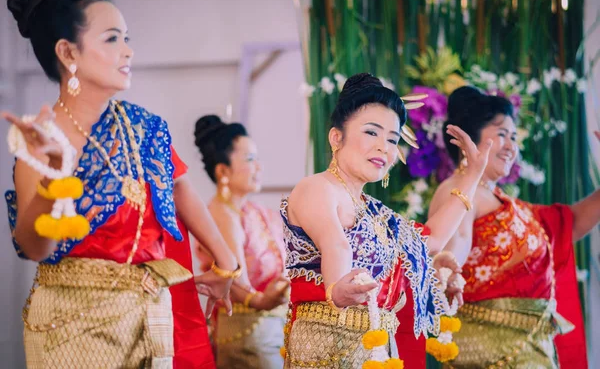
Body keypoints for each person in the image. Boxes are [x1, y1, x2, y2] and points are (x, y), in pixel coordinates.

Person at [3, 0, 238, 368]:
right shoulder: (42, 139)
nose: (127, 52)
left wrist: (227, 262)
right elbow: (33, 247)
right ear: (68, 53)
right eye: (112, 39)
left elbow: (180, 189)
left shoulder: (144, 127)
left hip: (151, 313)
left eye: (127, 38)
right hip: (73, 325)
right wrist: (53, 179)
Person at [280, 73, 494, 368]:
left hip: (378, 347)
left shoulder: (376, 212)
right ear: (336, 137)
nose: (384, 147)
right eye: (371, 132)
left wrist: (473, 175)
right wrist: (337, 288)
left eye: (393, 139)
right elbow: (336, 246)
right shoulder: (317, 188)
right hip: (325, 344)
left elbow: (430, 241)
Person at [429, 86, 600, 368]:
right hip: (491, 348)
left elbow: (568, 224)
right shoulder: (459, 188)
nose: (511, 145)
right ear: (469, 140)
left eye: (513, 136)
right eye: (501, 134)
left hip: (527, 346)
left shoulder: (505, 203)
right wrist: (448, 269)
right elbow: (455, 241)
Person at [194, 115, 289, 368]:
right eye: (249, 159)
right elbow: (234, 280)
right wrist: (261, 300)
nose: (259, 167)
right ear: (223, 170)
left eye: (258, 159)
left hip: (271, 331)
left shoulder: (252, 211)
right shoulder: (221, 214)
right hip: (248, 334)